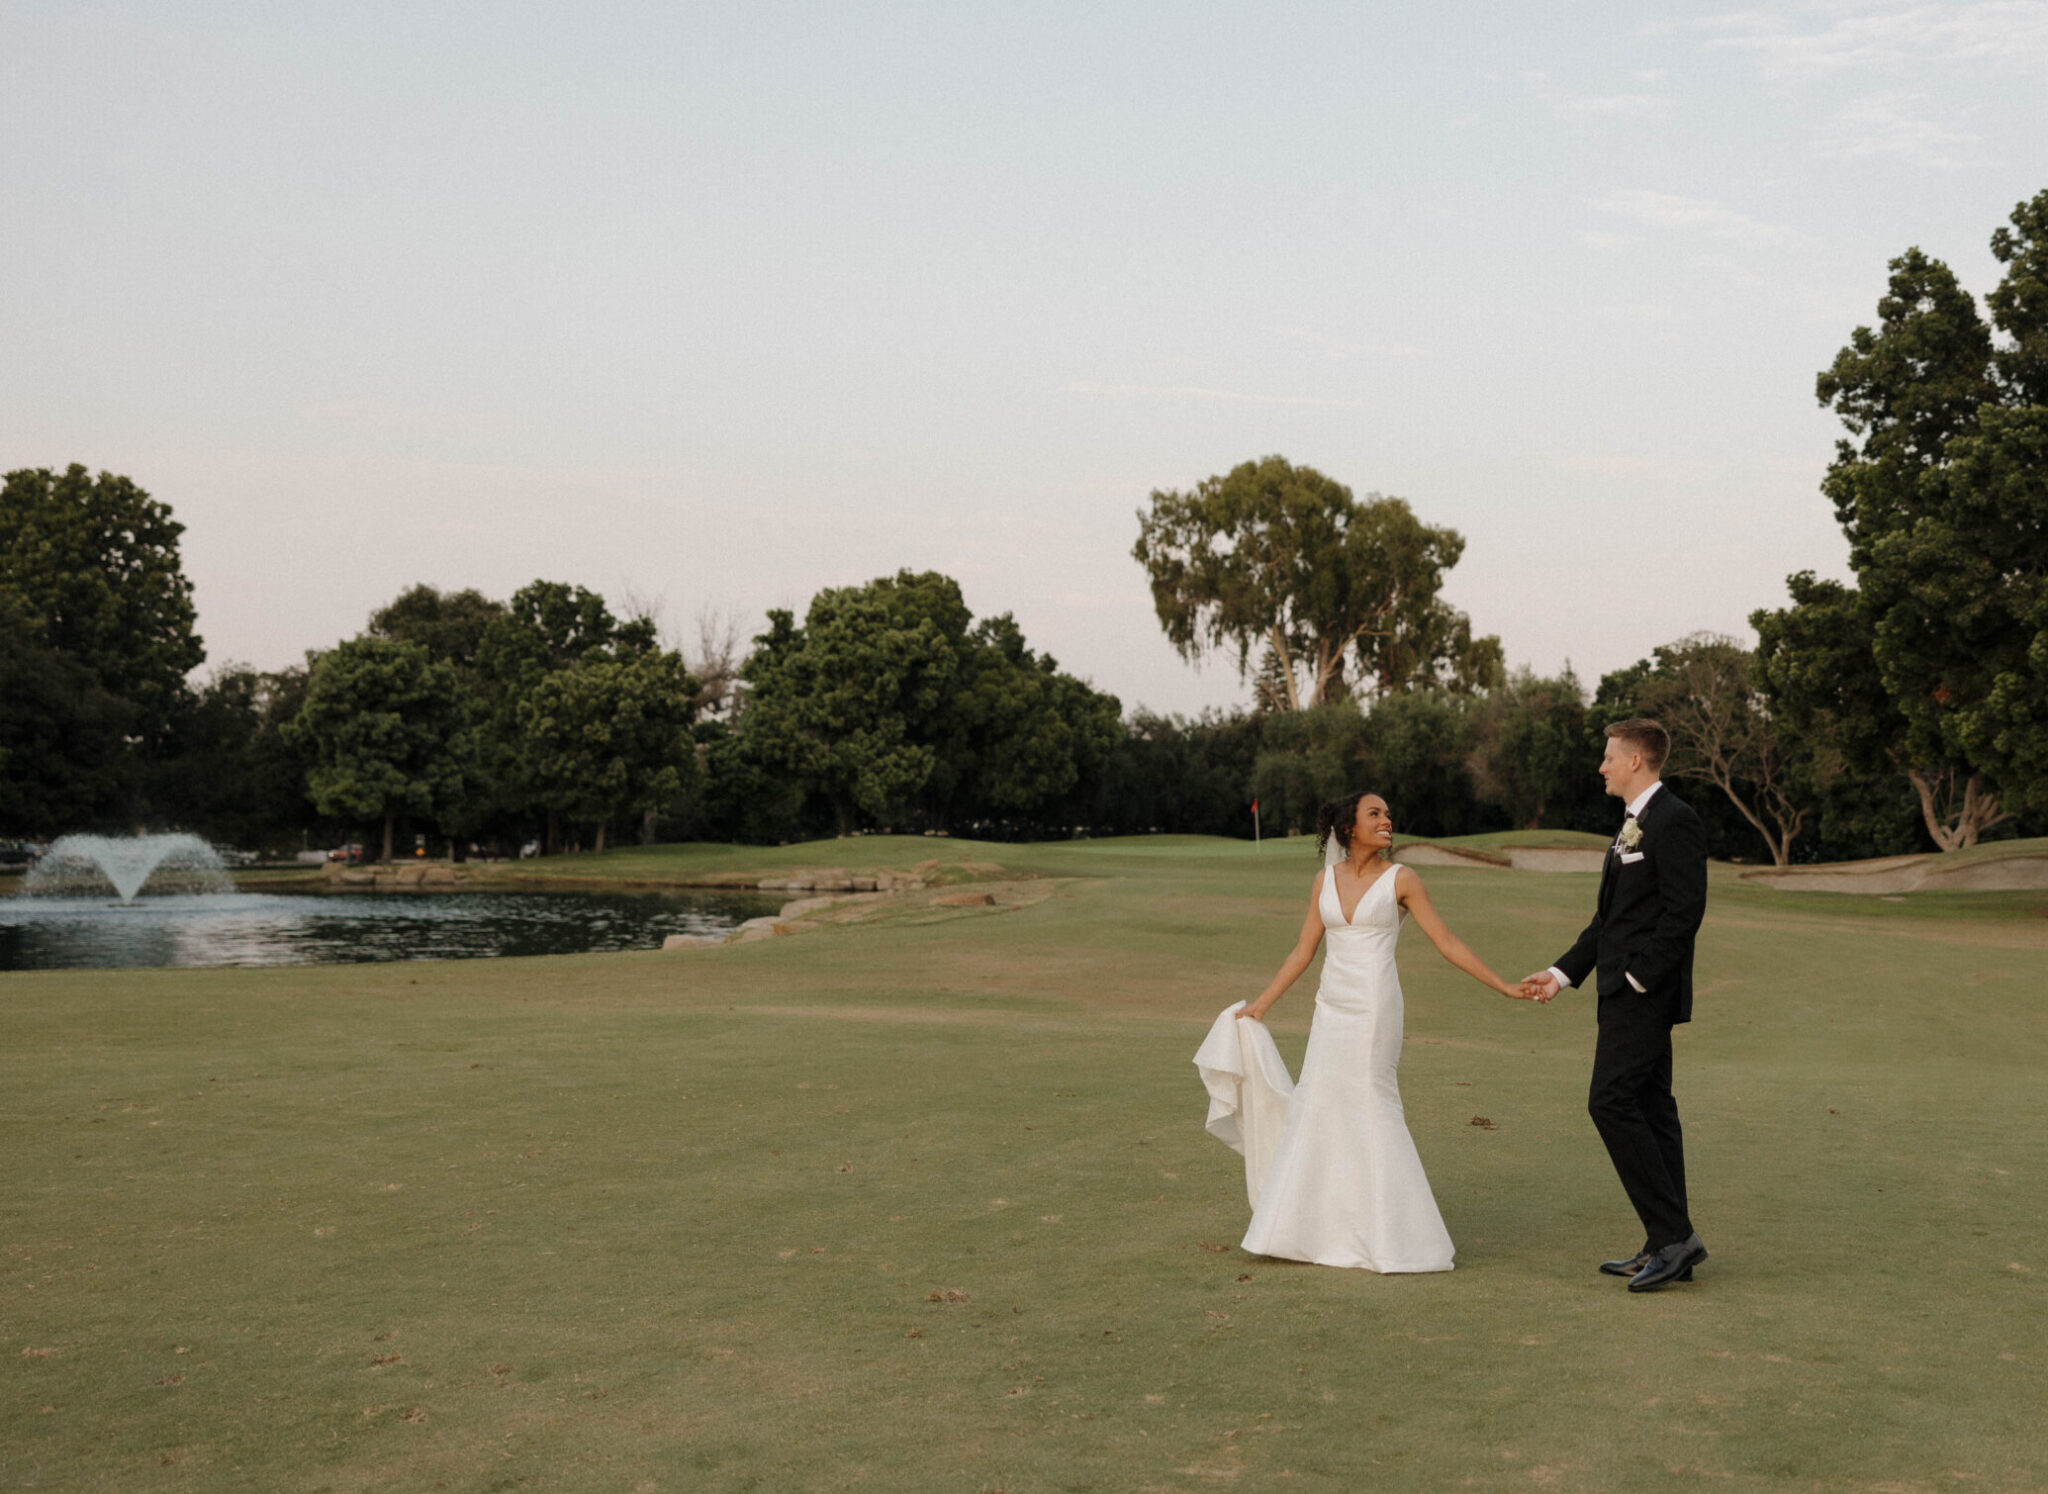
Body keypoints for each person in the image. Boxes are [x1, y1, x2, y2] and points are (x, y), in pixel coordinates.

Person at [1220, 790, 1539, 1272]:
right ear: (1349, 828)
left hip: (1374, 1009)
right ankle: (1313, 1230)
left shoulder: (1403, 880)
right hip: (1331, 1009)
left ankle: (1396, 1237)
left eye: (1389, 814)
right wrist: (1261, 1006)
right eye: (1376, 814)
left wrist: (1504, 987)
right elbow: (1303, 951)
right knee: (1321, 1101)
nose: (1388, 820)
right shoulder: (1323, 880)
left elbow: (1446, 942)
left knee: (1371, 1100)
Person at [1520, 718, 1710, 1293]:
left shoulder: (1674, 820)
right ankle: (1669, 1241)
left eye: (1609, 757)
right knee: (1653, 1110)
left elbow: (1684, 911)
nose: (1601, 766)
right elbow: (1610, 919)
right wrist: (1561, 973)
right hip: (1617, 991)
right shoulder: (1632, 824)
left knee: (1609, 1102)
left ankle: (1673, 1236)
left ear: (1635, 761)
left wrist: (1637, 979)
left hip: (1640, 996)